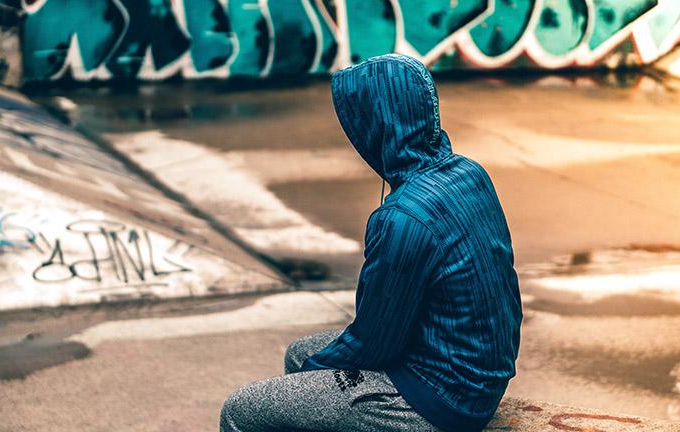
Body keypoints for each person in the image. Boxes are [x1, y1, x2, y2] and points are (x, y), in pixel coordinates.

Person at [220, 54, 522, 432]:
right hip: (480, 373)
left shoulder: (403, 218)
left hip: (440, 398)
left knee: (241, 411)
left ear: (378, 125)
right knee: (300, 353)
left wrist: (307, 380)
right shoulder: (469, 173)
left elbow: (375, 340)